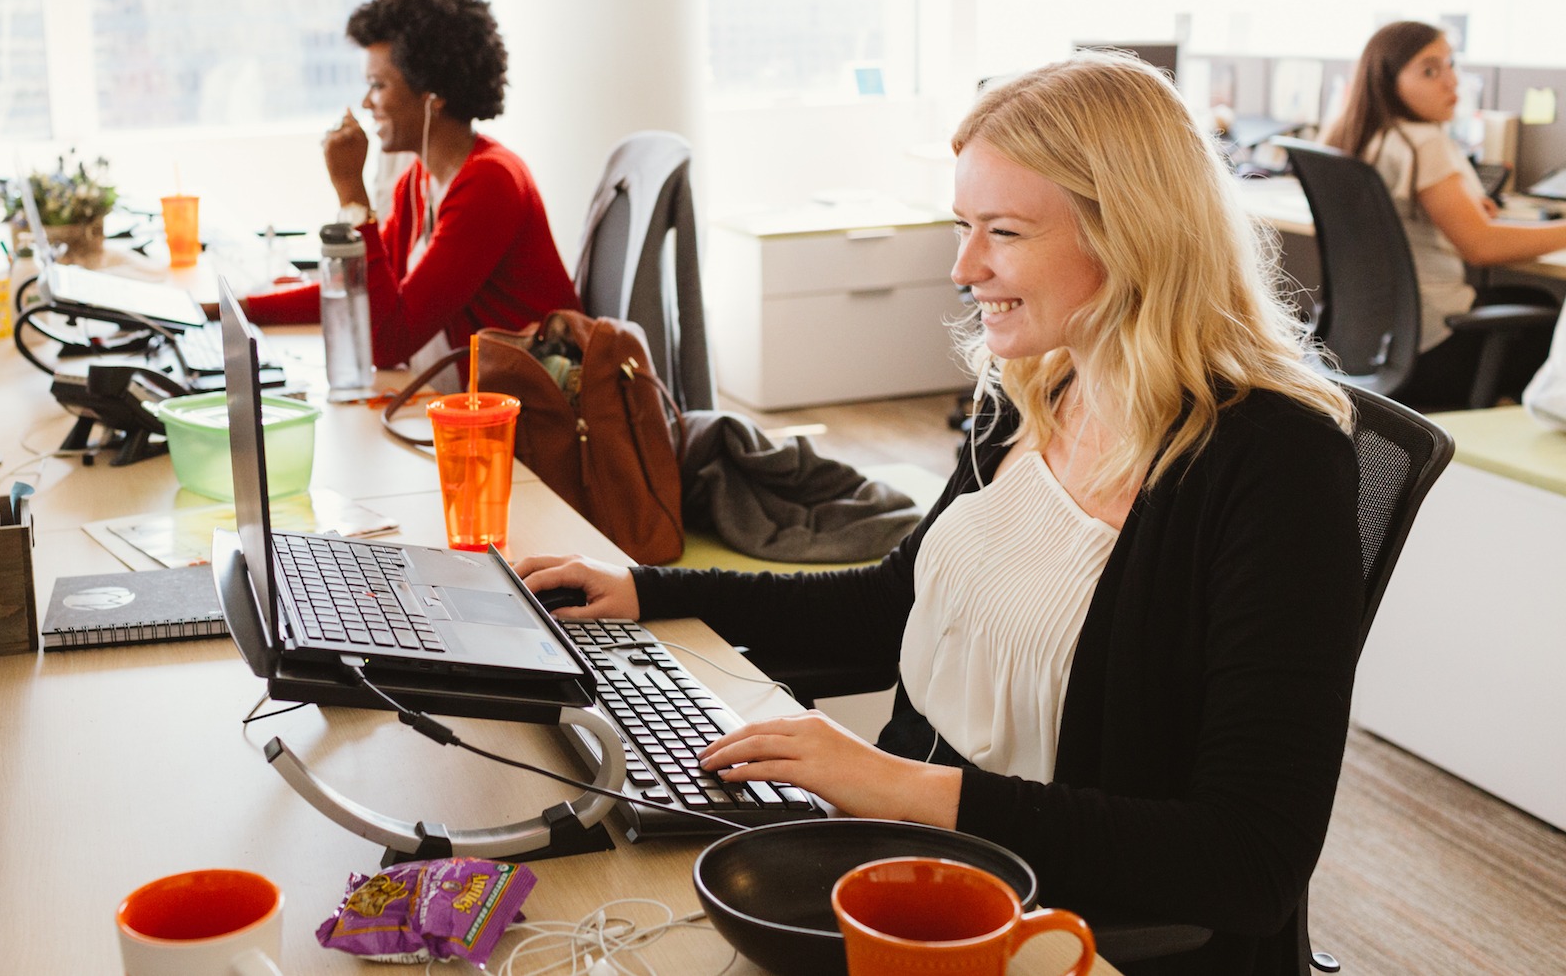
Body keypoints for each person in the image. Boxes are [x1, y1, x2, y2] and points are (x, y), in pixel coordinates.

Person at [521, 53, 1363, 976]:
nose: (964, 267)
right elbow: (896, 603)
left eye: (1003, 230)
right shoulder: (1038, 384)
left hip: (1053, 923)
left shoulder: (1273, 462)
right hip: (902, 859)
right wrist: (644, 591)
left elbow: (1248, 860)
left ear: (1135, 235)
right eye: (965, 225)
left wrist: (896, 785)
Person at [242, 0, 580, 381]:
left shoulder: (490, 182)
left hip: (522, 423)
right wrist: (242, 307)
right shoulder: (419, 181)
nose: (367, 102)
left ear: (433, 95)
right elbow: (363, 293)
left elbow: (388, 342)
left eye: (378, 85)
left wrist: (352, 194)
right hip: (453, 401)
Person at [1321, 20, 1566, 410]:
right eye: (1430, 70)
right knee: (1546, 323)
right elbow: (1481, 247)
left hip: (1371, 343)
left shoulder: (1358, 136)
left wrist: (1465, 206)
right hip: (1432, 348)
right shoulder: (1422, 143)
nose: (1451, 82)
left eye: (1451, 66)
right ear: (1387, 79)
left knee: (1527, 296)